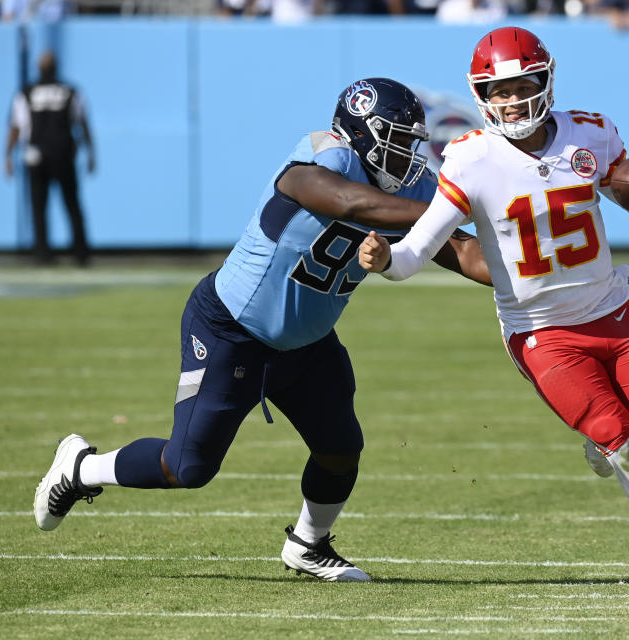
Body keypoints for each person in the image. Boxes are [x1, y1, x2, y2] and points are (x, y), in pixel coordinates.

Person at [33, 78, 491, 582]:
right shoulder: (324, 157)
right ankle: (80, 468)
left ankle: (308, 545)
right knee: (187, 468)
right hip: (232, 328)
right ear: (360, 133)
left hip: (308, 341)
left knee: (340, 447)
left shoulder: (414, 191)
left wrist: (536, 270)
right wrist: (452, 209)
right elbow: (350, 204)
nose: (408, 154)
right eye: (397, 139)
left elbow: (465, 252)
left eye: (412, 141)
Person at [359, 26, 629, 597]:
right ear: (481, 94)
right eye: (498, 90)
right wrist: (385, 257)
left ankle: (612, 440)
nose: (510, 100)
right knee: (623, 446)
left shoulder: (591, 132)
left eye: (521, 85)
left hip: (613, 313)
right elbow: (414, 254)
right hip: (541, 333)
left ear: (546, 80)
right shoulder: (469, 159)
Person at [5, 50, 95, 266]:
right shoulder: (70, 91)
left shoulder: (26, 92)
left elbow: (16, 126)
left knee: (39, 206)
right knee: (72, 205)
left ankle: (42, 254)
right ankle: (80, 253)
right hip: (63, 154)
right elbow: (81, 123)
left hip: (36, 155)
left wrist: (7, 155)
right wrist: (91, 151)